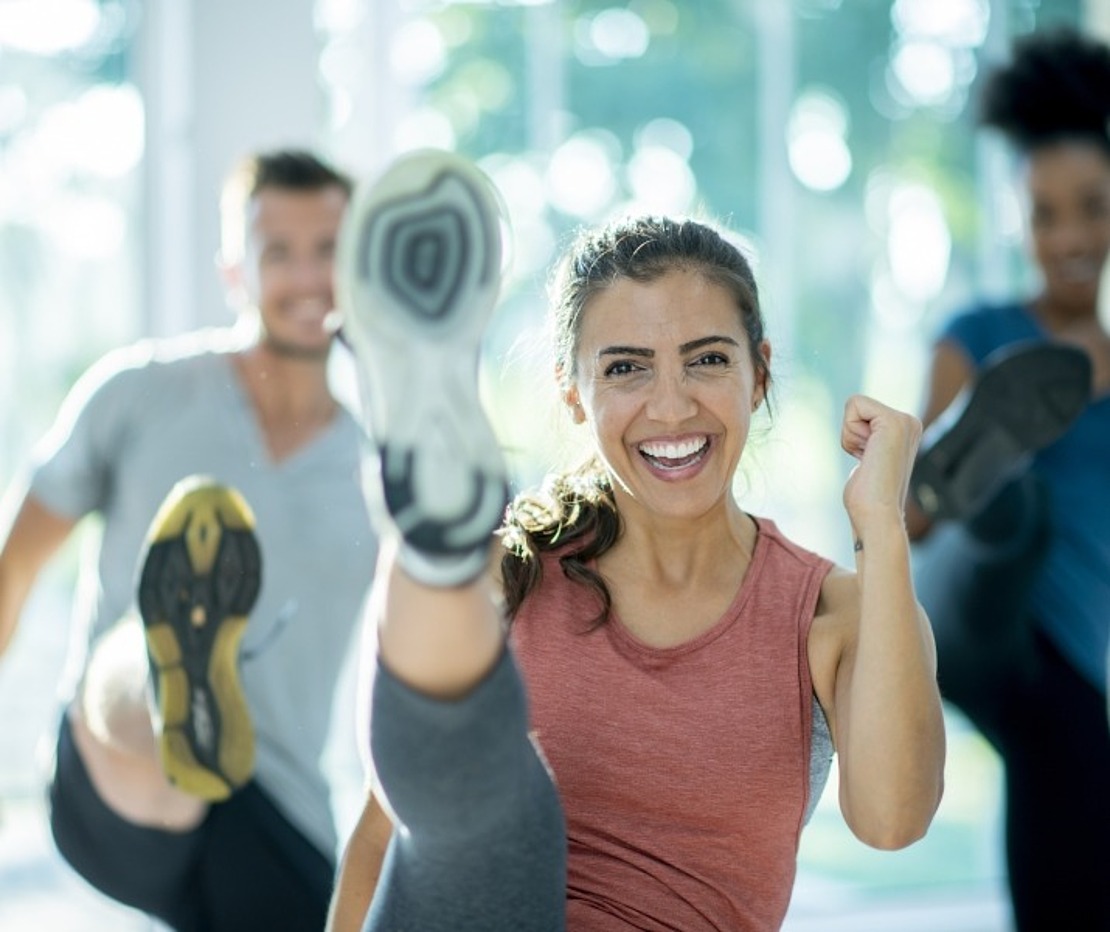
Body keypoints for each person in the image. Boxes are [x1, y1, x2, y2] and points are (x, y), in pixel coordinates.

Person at [328, 148, 946, 931]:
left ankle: (424, 542)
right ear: (572, 395)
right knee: (492, 797)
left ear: (760, 374)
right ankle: (421, 516)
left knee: (493, 787)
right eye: (626, 369)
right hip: (480, 901)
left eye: (707, 361)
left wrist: (882, 529)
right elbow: (384, 838)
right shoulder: (515, 573)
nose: (671, 407)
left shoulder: (831, 613)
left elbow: (893, 819)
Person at [0, 148, 376, 931]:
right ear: (234, 272)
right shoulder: (138, 392)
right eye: (278, 254)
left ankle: (190, 693)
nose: (308, 279)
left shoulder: (379, 471)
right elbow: (17, 567)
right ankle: (174, 674)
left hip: (277, 807)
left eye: (330, 252)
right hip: (118, 776)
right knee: (139, 665)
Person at [905, 27, 1110, 932]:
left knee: (1063, 743)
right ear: (1019, 222)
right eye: (1044, 215)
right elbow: (908, 519)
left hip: (1062, 653)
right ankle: (983, 467)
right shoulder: (975, 333)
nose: (1066, 237)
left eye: (1091, 208)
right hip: (963, 609)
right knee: (1012, 508)